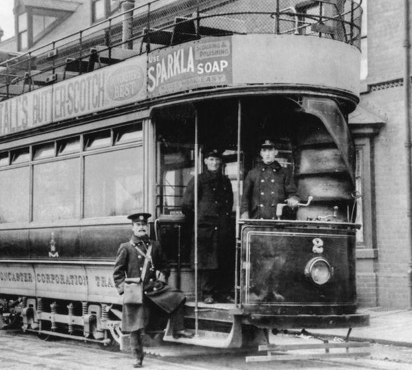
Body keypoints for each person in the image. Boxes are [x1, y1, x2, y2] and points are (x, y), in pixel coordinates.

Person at [113, 213, 193, 369]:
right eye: (138, 225)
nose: (142, 227)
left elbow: (164, 265)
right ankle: (137, 358)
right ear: (133, 228)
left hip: (154, 289)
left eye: (144, 225)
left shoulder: (155, 245)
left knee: (178, 297)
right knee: (135, 327)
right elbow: (117, 273)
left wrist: (162, 275)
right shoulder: (126, 247)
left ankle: (178, 330)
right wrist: (125, 289)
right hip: (136, 292)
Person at [181, 148, 234, 304]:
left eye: (217, 160)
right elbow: (186, 205)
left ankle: (223, 293)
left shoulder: (225, 181)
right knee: (207, 261)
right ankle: (207, 294)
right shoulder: (198, 180)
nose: (214, 162)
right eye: (211, 159)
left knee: (222, 259)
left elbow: (229, 204)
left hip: (222, 227)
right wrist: (199, 220)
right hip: (205, 228)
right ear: (205, 161)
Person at [241, 139, 300, 220]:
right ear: (261, 153)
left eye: (270, 150)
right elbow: (245, 199)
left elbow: (292, 194)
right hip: (257, 220)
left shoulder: (285, 173)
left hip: (278, 220)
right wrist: (245, 217)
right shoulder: (252, 173)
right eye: (264, 150)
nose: (267, 154)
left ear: (276, 152)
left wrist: (293, 200)